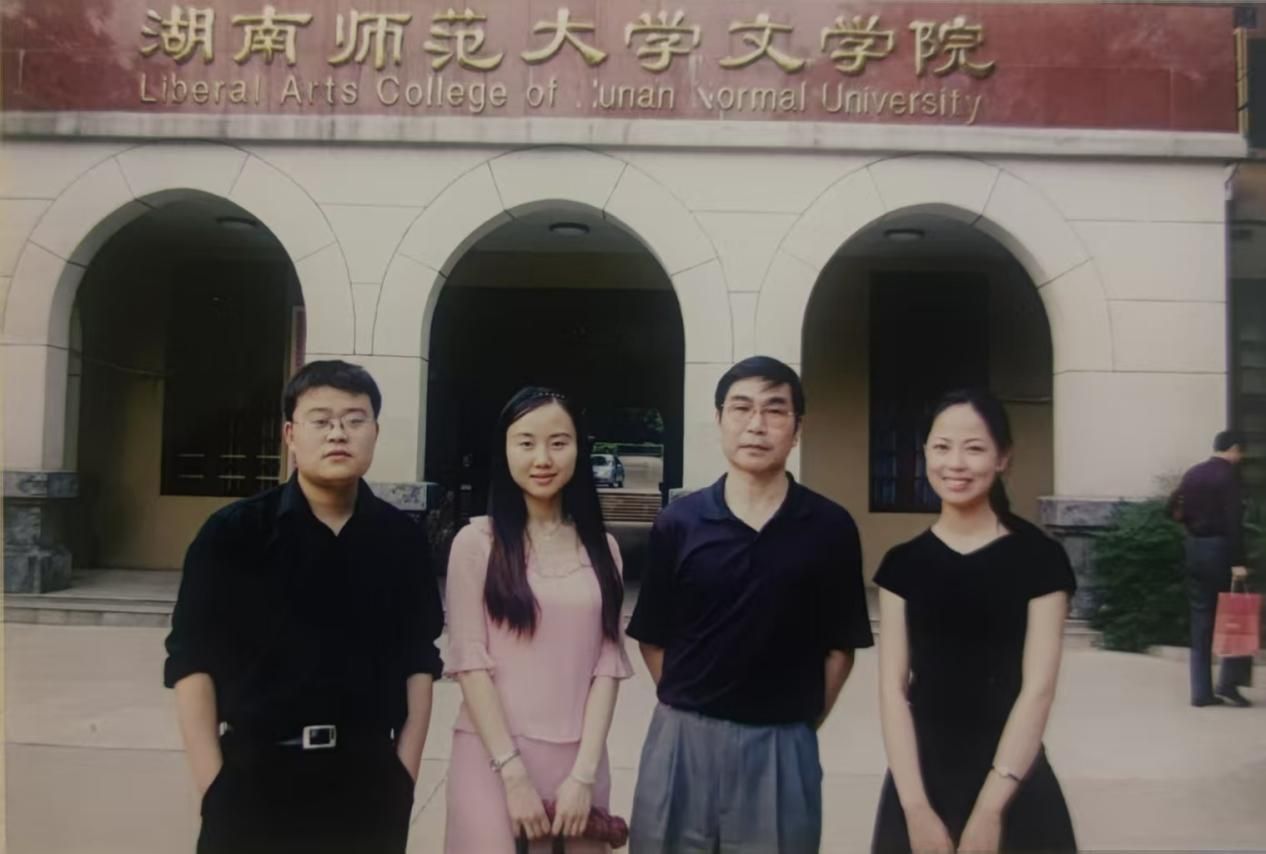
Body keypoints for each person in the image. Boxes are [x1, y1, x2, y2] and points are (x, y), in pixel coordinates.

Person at [163, 360, 444, 854]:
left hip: (368, 789)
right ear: (291, 435)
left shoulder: (402, 541)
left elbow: (418, 660)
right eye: (321, 420)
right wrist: (216, 790)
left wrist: (404, 776)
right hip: (254, 785)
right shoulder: (232, 535)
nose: (338, 433)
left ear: (375, 433)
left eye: (354, 420)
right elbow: (192, 660)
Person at [627, 356, 874, 854]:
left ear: (797, 428)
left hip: (782, 745)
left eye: (775, 410)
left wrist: (793, 724)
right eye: (741, 408)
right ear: (719, 420)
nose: (756, 425)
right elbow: (653, 638)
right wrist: (699, 709)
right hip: (683, 743)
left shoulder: (830, 528)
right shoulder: (679, 523)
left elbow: (840, 649)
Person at [872, 389, 1077, 854]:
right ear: (925, 453)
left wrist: (990, 810)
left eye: (975, 448)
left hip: (1014, 779)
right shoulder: (903, 565)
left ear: (1003, 457)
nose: (956, 463)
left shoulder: (1041, 560)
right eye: (942, 447)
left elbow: (1038, 689)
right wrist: (915, 809)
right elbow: (892, 692)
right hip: (920, 782)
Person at [443, 387, 633, 853]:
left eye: (558, 442)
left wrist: (584, 774)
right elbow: (470, 664)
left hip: (579, 764)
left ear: (578, 450)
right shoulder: (476, 544)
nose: (543, 458)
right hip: (492, 759)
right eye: (526, 443)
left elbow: (607, 666)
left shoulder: (603, 549)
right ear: (505, 450)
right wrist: (512, 775)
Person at [1167, 430, 1253, 707]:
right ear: (1234, 448)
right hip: (1221, 550)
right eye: (1241, 453)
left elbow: (1171, 508)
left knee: (1201, 620)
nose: (1241, 458)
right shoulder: (1228, 477)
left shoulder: (1193, 473)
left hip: (1194, 548)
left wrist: (1192, 525)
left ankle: (1201, 691)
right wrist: (1239, 562)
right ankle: (1229, 684)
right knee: (1237, 614)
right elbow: (1233, 522)